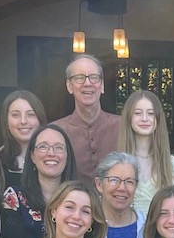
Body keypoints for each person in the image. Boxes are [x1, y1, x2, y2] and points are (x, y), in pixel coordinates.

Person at [2, 123, 79, 238]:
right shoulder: (13, 197)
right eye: (43, 147)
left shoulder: (80, 199)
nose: (51, 153)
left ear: (67, 156)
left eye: (59, 148)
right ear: (32, 156)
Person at [52, 54, 122, 184]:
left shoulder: (123, 126)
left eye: (94, 78)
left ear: (102, 86)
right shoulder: (56, 132)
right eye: (79, 78)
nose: (87, 83)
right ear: (69, 86)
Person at [119, 90, 174, 213]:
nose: (144, 119)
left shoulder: (172, 166)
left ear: (158, 119)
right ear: (129, 118)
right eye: (138, 113)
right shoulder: (116, 164)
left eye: (151, 113)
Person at [96, 151, 145, 238]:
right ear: (99, 184)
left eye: (129, 182)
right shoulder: (88, 225)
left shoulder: (148, 224)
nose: (122, 188)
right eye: (114, 180)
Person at [0, 90, 48, 190]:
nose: (23, 121)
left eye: (31, 114)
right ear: (6, 120)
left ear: (40, 119)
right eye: (15, 115)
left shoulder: (52, 158)